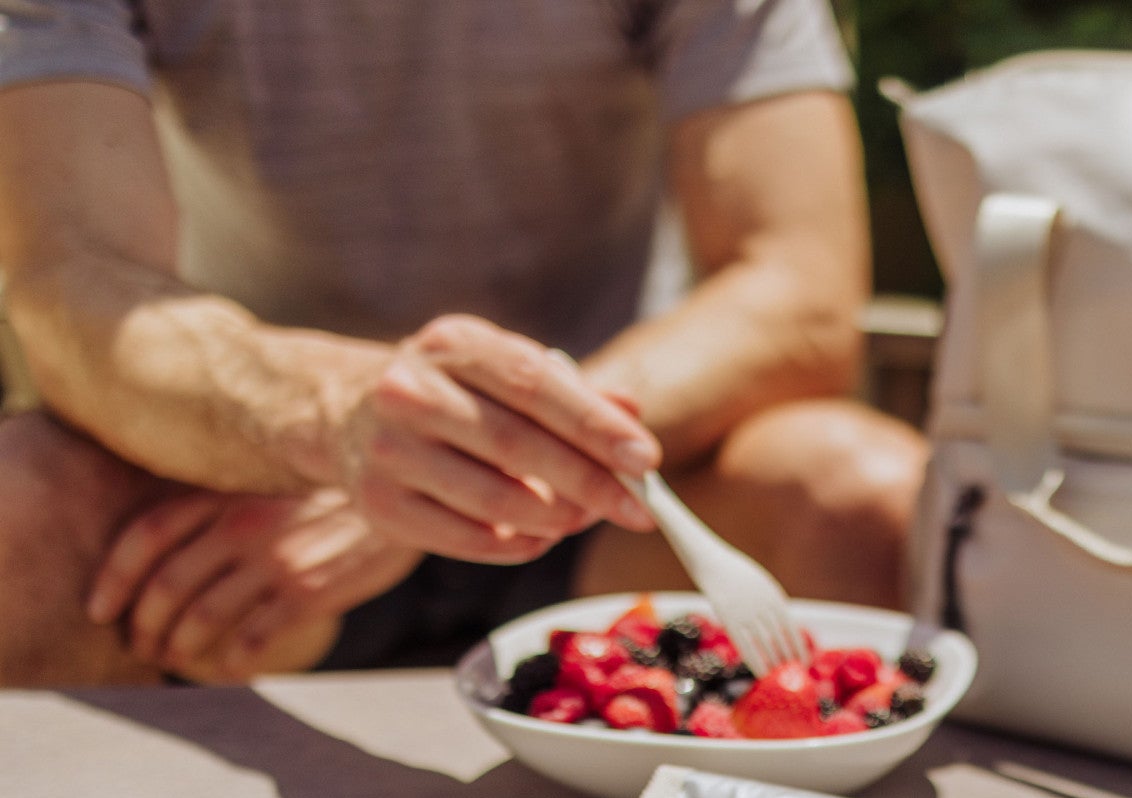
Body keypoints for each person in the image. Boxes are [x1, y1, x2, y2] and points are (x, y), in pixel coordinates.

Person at [0, 0, 927, 686]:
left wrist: (462, 462)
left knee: (867, 504)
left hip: (615, 484)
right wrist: (329, 428)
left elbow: (799, 293)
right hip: (249, 491)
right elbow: (71, 280)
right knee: (18, 517)